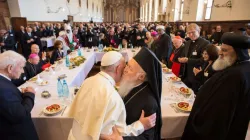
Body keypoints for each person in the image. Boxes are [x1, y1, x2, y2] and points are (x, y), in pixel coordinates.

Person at [68, 51, 156, 140]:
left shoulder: (87, 81)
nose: (125, 70)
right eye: (125, 66)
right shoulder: (113, 97)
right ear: (118, 68)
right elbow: (116, 133)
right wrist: (141, 125)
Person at [182, 32, 250, 140]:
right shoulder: (237, 66)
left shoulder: (236, 74)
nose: (220, 53)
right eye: (221, 49)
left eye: (225, 50)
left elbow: (219, 109)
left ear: (238, 52)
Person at [101, 47, 162, 140]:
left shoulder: (150, 102)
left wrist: (121, 139)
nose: (125, 69)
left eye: (130, 68)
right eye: (127, 65)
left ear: (141, 76)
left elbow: (148, 137)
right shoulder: (129, 85)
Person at [0, 51, 38, 140]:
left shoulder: (4, 82)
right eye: (21, 67)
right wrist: (30, 95)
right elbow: (21, 115)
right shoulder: (3, 88)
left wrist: (23, 95)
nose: (22, 71)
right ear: (10, 68)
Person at [178, 23, 210, 88]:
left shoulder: (205, 43)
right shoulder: (187, 42)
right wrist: (180, 58)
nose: (191, 35)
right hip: (186, 75)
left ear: (198, 31)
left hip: (196, 75)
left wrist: (188, 60)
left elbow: (204, 60)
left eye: (193, 32)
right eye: (188, 33)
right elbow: (183, 54)